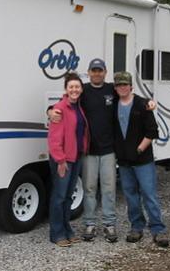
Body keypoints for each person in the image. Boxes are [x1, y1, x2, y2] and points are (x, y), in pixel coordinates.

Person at [49, 58, 156, 243]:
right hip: (88, 151)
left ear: (105, 72)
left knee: (108, 190)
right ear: (89, 73)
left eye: (100, 70)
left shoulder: (111, 90)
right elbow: (66, 103)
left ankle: (109, 224)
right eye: (93, 70)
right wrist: (50, 110)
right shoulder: (83, 91)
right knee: (89, 189)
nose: (97, 73)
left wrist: (148, 102)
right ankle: (89, 224)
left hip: (109, 151)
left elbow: (129, 97)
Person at [112, 71, 169, 248]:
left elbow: (152, 132)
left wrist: (138, 149)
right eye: (119, 85)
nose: (122, 87)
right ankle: (136, 227)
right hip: (124, 161)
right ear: (115, 88)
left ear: (131, 86)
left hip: (142, 160)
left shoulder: (142, 104)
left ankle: (158, 229)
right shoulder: (113, 104)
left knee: (149, 194)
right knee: (130, 195)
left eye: (125, 84)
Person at [47, 72, 89, 247]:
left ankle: (67, 229)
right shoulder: (59, 108)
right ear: (66, 89)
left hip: (76, 156)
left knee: (68, 197)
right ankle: (57, 234)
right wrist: (60, 160)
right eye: (71, 86)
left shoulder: (78, 107)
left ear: (81, 89)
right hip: (63, 159)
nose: (74, 89)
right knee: (59, 196)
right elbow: (54, 139)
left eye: (77, 87)